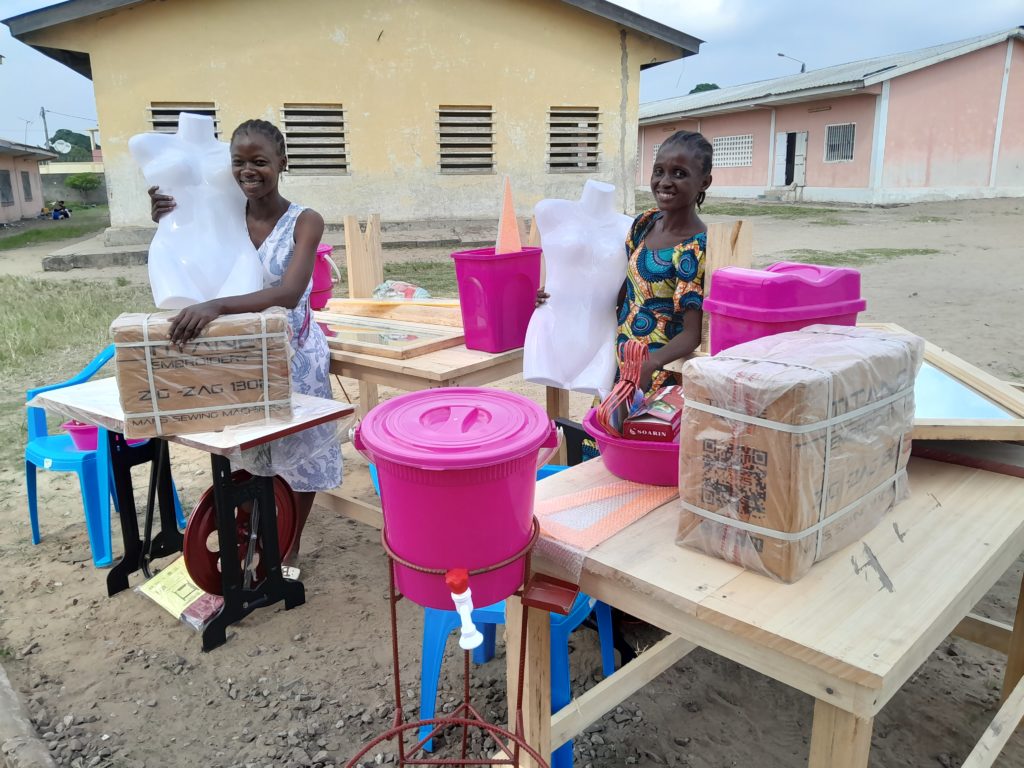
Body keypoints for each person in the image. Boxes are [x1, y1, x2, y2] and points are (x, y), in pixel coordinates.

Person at [148, 118, 342, 565]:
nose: (248, 171)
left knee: (300, 454)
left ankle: (288, 548)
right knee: (251, 452)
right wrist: (165, 215)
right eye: (239, 162)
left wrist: (215, 306)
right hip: (242, 355)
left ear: (282, 163)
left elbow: (289, 293)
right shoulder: (222, 214)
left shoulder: (305, 221)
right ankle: (255, 539)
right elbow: (185, 245)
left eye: (260, 161)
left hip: (296, 356)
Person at [538, 130, 714, 395]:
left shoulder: (696, 247)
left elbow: (692, 333)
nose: (665, 182)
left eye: (679, 174)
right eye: (659, 171)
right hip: (621, 362)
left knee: (643, 423)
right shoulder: (645, 223)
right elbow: (620, 290)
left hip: (659, 374)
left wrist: (651, 363)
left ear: (704, 182)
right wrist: (556, 297)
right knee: (604, 421)